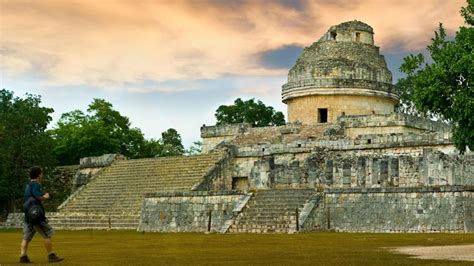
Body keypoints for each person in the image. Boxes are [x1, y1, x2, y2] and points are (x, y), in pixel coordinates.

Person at [20, 166, 63, 263]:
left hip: (28, 215)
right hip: (36, 215)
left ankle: (23, 255)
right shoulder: (36, 184)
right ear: (39, 175)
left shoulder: (28, 185)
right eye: (41, 173)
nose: (42, 175)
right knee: (46, 234)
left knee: (26, 237)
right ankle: (51, 255)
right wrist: (45, 196)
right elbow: (38, 196)